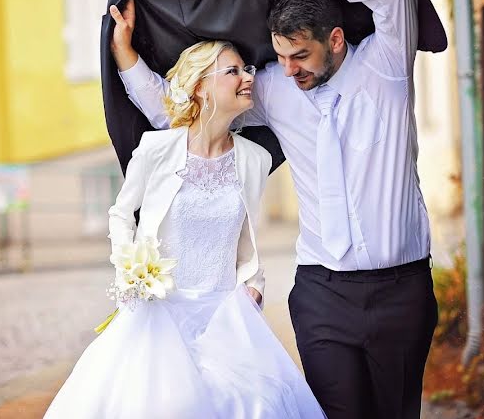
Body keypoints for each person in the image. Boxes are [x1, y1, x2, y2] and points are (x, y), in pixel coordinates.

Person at [110, 0, 439, 419]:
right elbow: (184, 113)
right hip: (322, 291)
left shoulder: (386, 67)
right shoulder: (274, 88)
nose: (287, 70)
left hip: (401, 290)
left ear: (336, 40)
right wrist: (126, 56)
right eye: (280, 56)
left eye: (300, 56)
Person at [43, 40, 326, 419]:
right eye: (233, 71)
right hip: (158, 315)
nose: (247, 79)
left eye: (248, 70)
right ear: (200, 86)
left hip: (227, 318)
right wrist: (129, 271)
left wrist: (255, 285)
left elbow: (247, 239)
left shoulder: (255, 160)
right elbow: (121, 214)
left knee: (254, 404)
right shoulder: (156, 149)